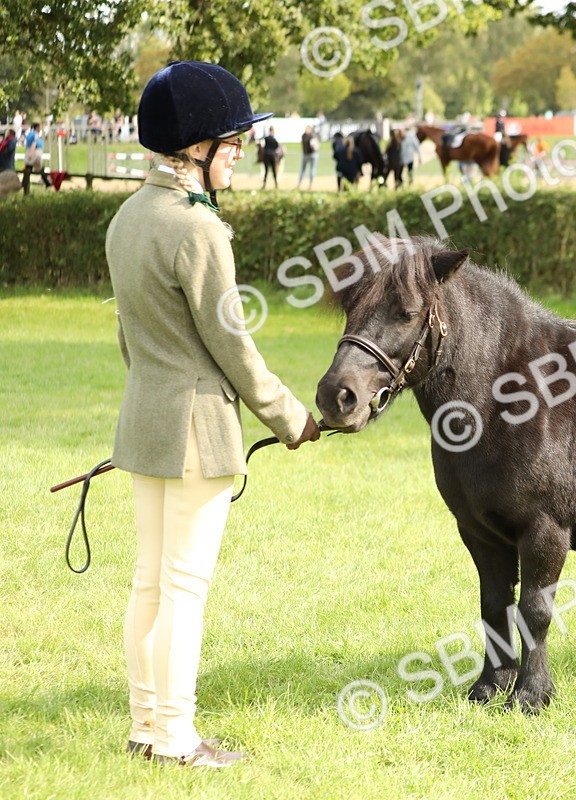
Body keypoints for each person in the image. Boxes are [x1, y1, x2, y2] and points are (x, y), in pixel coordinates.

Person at [106, 60, 320, 769]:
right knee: (184, 591)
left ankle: (145, 727)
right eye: (231, 142)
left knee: (149, 581)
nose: (240, 152)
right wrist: (291, 417)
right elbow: (232, 344)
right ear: (194, 147)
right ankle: (176, 739)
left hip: (145, 420)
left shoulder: (128, 216)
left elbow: (128, 337)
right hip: (197, 428)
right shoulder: (199, 230)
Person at [23, 122, 50, 189]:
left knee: (38, 168)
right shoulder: (35, 134)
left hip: (31, 152)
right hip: (35, 152)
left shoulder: (29, 134)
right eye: (39, 127)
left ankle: (47, 183)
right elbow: (34, 144)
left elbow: (27, 145)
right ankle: (25, 184)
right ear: (36, 127)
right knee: (30, 168)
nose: (40, 128)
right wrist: (31, 155)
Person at [297, 125, 317, 190]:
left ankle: (299, 184)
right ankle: (310, 185)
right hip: (312, 154)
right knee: (311, 169)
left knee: (303, 170)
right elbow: (315, 146)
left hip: (306, 154)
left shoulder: (303, 136)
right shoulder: (312, 136)